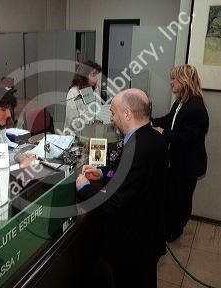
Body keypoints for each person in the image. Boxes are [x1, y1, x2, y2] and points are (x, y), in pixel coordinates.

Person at [76, 88, 167, 287]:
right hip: (148, 237)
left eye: (113, 112)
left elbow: (114, 205)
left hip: (133, 246)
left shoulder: (135, 149)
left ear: (127, 113)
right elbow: (133, 178)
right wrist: (103, 173)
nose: (112, 117)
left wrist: (84, 187)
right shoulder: (155, 139)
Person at [152, 64, 209, 242]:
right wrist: (150, 121)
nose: (171, 82)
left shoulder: (196, 108)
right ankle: (169, 226)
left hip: (188, 165)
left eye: (174, 79)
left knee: (182, 199)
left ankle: (175, 231)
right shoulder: (180, 102)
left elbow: (186, 138)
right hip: (175, 161)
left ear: (184, 81)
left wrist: (163, 133)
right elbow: (169, 120)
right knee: (171, 196)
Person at [64, 60, 103, 133]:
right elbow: (72, 121)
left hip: (92, 131)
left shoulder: (95, 89)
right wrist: (90, 122)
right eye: (93, 75)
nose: (97, 78)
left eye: (97, 75)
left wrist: (99, 120)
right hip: (74, 135)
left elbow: (98, 109)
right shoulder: (73, 93)